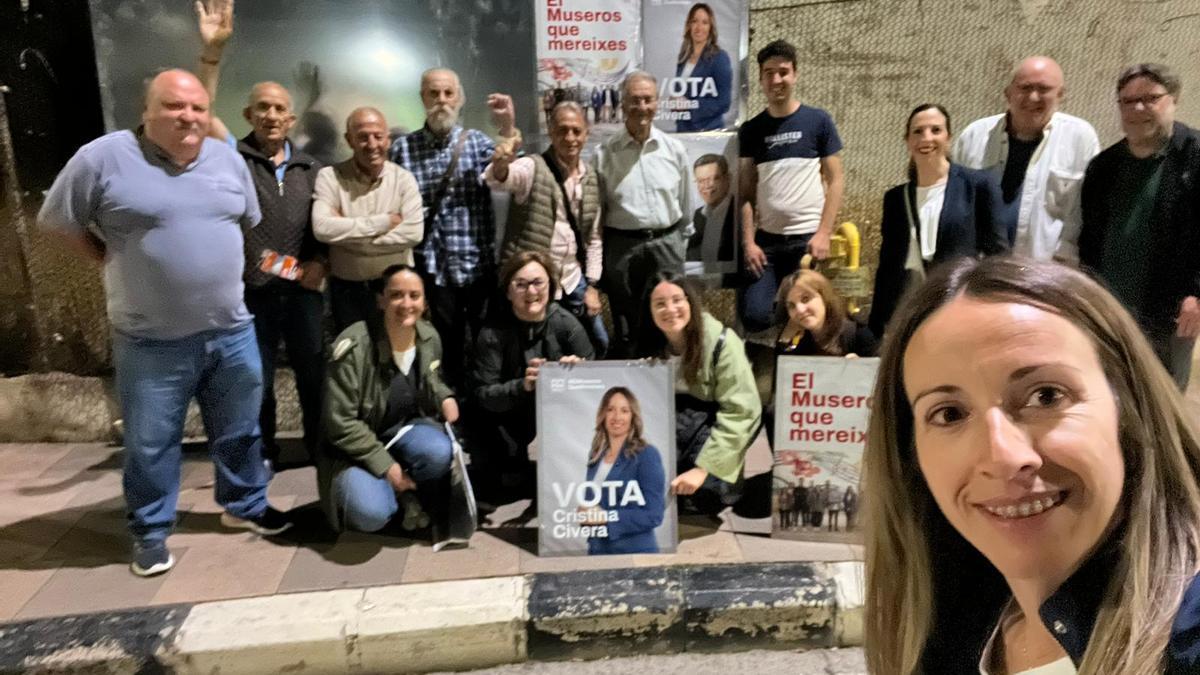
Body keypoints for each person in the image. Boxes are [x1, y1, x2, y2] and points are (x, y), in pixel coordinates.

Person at [862, 255, 1200, 674]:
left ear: (1130, 408)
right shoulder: (950, 623)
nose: (1002, 457)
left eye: (1045, 396)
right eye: (949, 414)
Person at [37, 68, 291, 577]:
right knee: (152, 441)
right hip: (151, 339)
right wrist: (107, 257)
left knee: (240, 429)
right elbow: (56, 222)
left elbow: (245, 225)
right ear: (147, 112)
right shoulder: (102, 158)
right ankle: (151, 530)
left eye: (197, 107)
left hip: (231, 329)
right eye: (175, 107)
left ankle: (244, 505)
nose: (188, 117)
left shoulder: (226, 158)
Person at [195, 0, 326, 465]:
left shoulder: (312, 167)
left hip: (307, 296)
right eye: (263, 108)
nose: (272, 115)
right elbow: (202, 114)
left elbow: (324, 229)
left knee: (315, 375)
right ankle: (262, 452)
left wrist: (320, 266)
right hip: (256, 292)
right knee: (257, 377)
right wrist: (211, 56)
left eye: (280, 109)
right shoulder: (231, 157)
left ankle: (319, 448)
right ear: (249, 114)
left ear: (291, 120)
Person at [389, 70, 520, 387]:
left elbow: (508, 171)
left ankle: (482, 407)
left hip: (476, 262)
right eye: (434, 94)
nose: (441, 101)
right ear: (423, 98)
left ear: (459, 100)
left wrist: (507, 129)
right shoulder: (403, 149)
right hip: (431, 265)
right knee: (441, 343)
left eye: (448, 94)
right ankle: (449, 407)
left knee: (483, 341)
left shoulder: (475, 143)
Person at [1080, 63, 1200, 391]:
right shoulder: (1103, 166)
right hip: (1109, 304)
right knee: (1111, 389)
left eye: (1150, 98)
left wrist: (1197, 293)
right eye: (1128, 101)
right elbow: (1090, 239)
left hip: (1170, 308)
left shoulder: (1195, 156)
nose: (1138, 109)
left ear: (1173, 99)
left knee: (1162, 395)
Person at [319, 265, 457, 535]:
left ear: (425, 302)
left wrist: (444, 397)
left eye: (414, 296)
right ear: (381, 300)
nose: (406, 304)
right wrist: (386, 466)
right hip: (351, 449)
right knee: (371, 514)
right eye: (396, 295)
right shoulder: (353, 347)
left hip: (399, 430)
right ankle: (390, 491)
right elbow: (340, 423)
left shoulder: (428, 337)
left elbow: (431, 380)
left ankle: (404, 490)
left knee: (440, 452)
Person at [868, 104, 1008, 338]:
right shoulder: (895, 199)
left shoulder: (977, 185)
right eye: (918, 131)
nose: (927, 138)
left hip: (961, 308)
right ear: (907, 141)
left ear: (948, 137)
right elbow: (888, 267)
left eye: (935, 130)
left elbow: (998, 253)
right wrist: (874, 328)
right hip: (912, 312)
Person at [470, 251, 594, 504]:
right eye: (521, 284)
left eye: (538, 282)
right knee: (503, 478)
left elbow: (596, 373)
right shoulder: (491, 332)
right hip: (511, 410)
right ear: (507, 291)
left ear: (550, 285)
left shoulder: (566, 323)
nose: (531, 292)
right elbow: (483, 394)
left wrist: (579, 371)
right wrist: (522, 385)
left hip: (560, 411)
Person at [738, 40, 845, 334]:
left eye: (783, 72)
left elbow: (835, 180)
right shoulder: (752, 130)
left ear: (795, 75)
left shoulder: (818, 121)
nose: (776, 80)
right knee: (756, 316)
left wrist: (824, 233)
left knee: (814, 316)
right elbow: (746, 193)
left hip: (809, 242)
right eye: (769, 73)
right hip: (768, 244)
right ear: (760, 78)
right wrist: (749, 243)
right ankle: (775, 359)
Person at [485, 100, 608, 356]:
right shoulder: (533, 167)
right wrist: (501, 164)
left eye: (576, 130)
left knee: (598, 343)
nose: (570, 137)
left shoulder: (593, 178)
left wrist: (593, 285)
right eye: (562, 130)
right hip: (533, 284)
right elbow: (500, 179)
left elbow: (594, 238)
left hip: (573, 280)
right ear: (551, 133)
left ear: (587, 133)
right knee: (533, 352)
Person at [952, 56, 1100, 261]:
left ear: (1061, 94)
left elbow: (1083, 215)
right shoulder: (974, 136)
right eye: (1024, 87)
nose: (1032, 97)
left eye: (1044, 89)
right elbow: (956, 207)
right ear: (1008, 93)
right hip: (982, 272)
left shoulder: (1080, 139)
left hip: (1044, 276)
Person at [642, 272, 761, 514]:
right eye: (660, 304)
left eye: (677, 300)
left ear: (691, 302)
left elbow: (743, 411)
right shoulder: (644, 344)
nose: (670, 309)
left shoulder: (722, 343)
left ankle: (719, 480)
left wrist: (704, 469)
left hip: (709, 424)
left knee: (709, 497)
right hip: (667, 422)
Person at [595, 71, 693, 357]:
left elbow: (685, 205)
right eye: (634, 100)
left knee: (671, 318)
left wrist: (678, 244)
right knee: (628, 325)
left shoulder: (673, 150)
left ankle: (674, 382)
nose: (642, 107)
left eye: (648, 99)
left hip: (667, 244)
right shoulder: (605, 154)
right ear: (622, 104)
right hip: (623, 249)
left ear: (657, 103)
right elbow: (598, 211)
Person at [312, 107, 424, 332]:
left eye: (378, 136)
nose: (372, 144)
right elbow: (322, 229)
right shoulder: (329, 177)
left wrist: (347, 236)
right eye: (363, 137)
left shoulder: (405, 180)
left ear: (388, 140)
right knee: (352, 355)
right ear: (349, 140)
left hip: (395, 289)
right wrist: (383, 223)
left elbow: (414, 233)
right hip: (347, 290)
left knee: (395, 355)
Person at [583, 387, 667, 554]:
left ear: (633, 417)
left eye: (624, 411)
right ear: (603, 415)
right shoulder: (596, 454)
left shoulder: (646, 454)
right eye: (610, 410)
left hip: (634, 552)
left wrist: (606, 517)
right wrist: (584, 510)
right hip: (598, 551)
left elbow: (654, 514)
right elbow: (592, 502)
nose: (616, 417)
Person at [672, 3, 732, 132]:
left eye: (705, 22)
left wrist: (689, 105)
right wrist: (674, 101)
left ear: (711, 28)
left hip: (709, 131)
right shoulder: (683, 58)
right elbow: (681, 94)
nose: (699, 27)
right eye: (694, 21)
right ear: (689, 25)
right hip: (683, 131)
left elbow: (724, 102)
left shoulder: (719, 58)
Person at [686, 154, 736, 266]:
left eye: (714, 178)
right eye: (700, 181)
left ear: (728, 179)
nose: (706, 186)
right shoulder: (697, 215)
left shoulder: (738, 212)